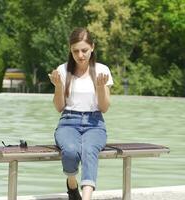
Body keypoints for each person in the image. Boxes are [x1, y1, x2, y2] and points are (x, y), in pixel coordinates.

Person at [48, 27, 113, 200]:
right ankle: (71, 183)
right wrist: (59, 87)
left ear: (92, 47)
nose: (80, 55)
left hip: (95, 124)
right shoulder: (62, 70)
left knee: (89, 150)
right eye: (76, 51)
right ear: (70, 49)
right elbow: (59, 107)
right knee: (70, 151)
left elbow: (105, 107)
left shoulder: (102, 70)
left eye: (84, 50)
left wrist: (100, 88)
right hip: (68, 121)